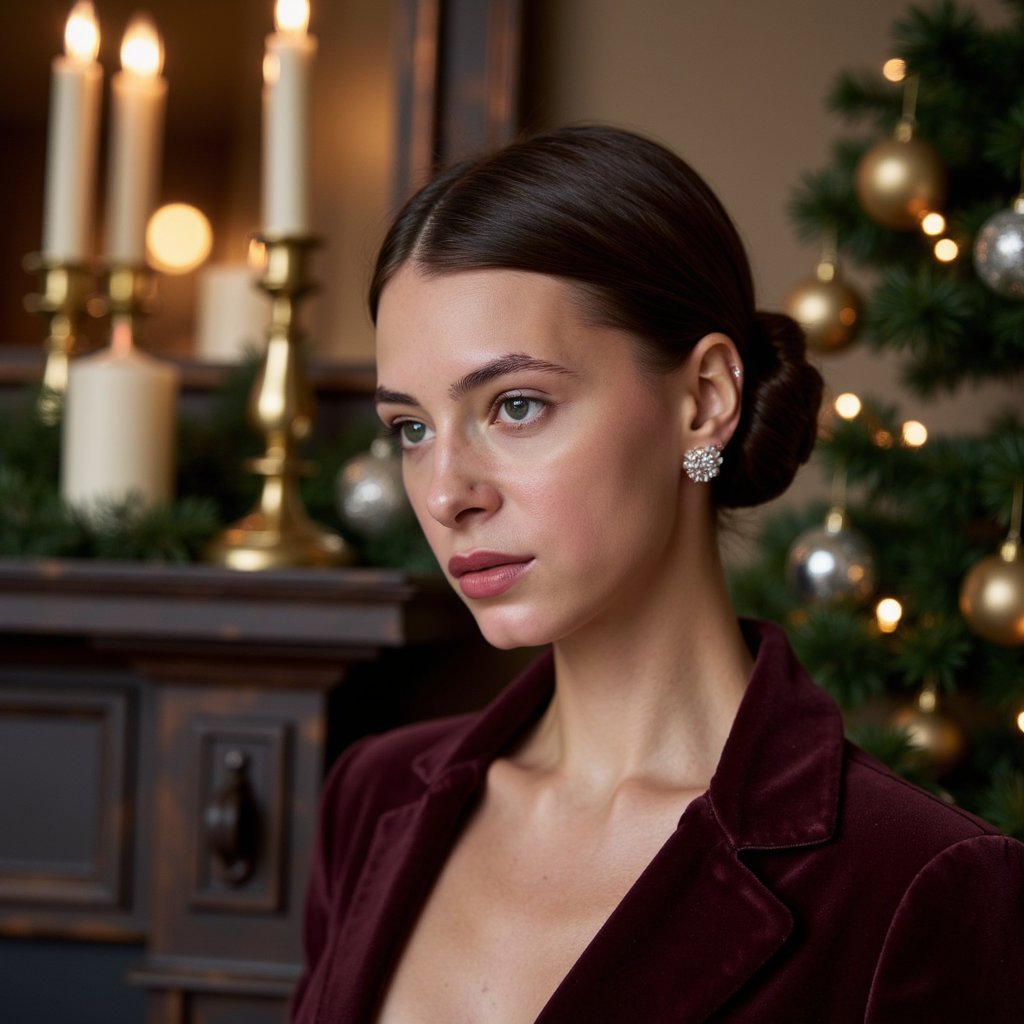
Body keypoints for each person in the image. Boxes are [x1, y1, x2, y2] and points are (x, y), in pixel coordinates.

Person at [291, 125, 1024, 1023]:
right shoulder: (372, 799)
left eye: (515, 406)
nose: (446, 493)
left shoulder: (915, 883)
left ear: (705, 399)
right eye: (412, 428)